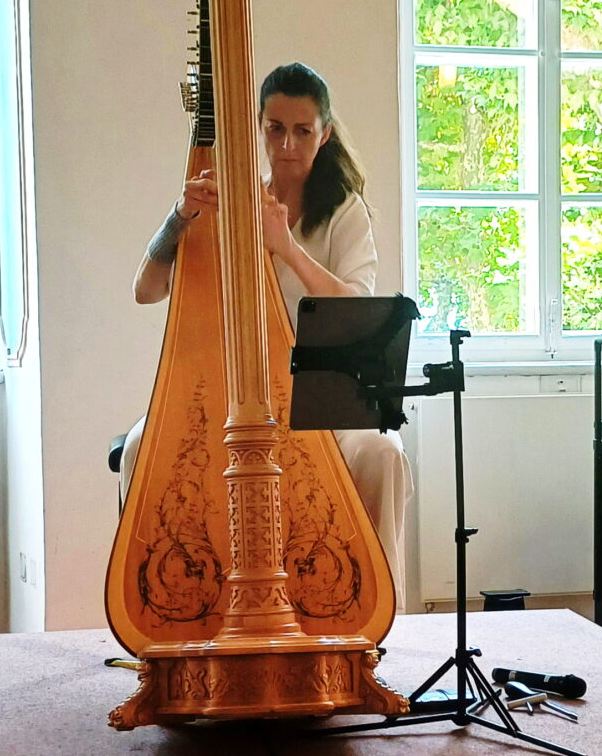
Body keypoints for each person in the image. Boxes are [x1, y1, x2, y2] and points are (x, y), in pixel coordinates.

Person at [122, 62, 413, 611]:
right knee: (141, 447)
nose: (287, 145)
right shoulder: (226, 202)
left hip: (319, 396)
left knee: (382, 452)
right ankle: (156, 612)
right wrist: (180, 216)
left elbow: (355, 307)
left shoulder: (344, 212)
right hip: (232, 392)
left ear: (324, 134)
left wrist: (286, 246)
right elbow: (146, 289)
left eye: (303, 131)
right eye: (275, 129)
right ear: (257, 127)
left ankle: (376, 614)